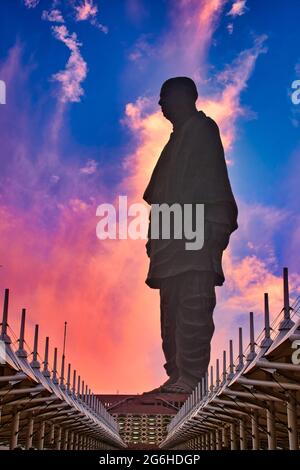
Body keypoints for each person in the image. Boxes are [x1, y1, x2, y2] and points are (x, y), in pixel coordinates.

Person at [143, 77, 238, 394]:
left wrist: (214, 227)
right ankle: (177, 374)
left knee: (193, 303)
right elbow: (159, 195)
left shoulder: (202, 130)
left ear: (184, 97)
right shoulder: (174, 142)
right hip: (170, 235)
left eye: (164, 96)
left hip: (197, 229)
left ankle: (192, 378)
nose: (160, 104)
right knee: (169, 311)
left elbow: (214, 184)